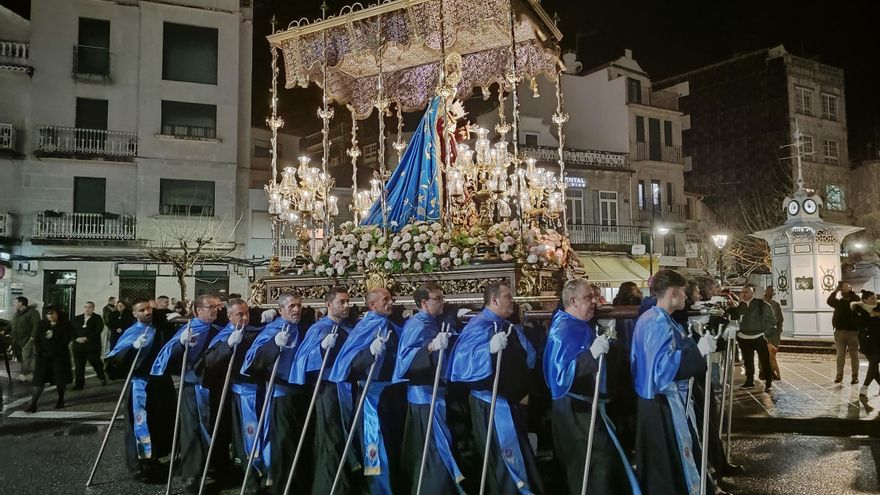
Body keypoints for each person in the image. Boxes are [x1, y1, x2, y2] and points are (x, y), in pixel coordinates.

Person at [544, 278, 640, 494]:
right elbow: (560, 374)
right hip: (574, 410)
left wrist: (609, 338)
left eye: (594, 296)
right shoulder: (562, 329)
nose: (594, 302)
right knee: (592, 461)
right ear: (573, 301)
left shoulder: (580, 322)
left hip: (589, 406)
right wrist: (591, 354)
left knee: (604, 458)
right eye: (588, 298)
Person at [449, 282, 544, 494]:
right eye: (508, 296)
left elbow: (527, 357)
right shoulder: (479, 325)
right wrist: (488, 350)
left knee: (519, 454)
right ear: (494, 300)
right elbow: (461, 364)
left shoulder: (505, 324)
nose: (513, 301)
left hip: (509, 402)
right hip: (490, 404)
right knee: (502, 459)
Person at [328, 287, 403, 494]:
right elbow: (347, 363)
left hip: (391, 393)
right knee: (376, 445)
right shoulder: (365, 326)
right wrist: (369, 352)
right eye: (386, 299)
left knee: (392, 444)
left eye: (391, 298)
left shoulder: (391, 324)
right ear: (373, 305)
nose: (391, 302)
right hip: (371, 395)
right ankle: (379, 489)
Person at [392, 282, 464, 494]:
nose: (442, 303)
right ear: (424, 303)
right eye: (438, 299)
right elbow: (405, 361)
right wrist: (431, 347)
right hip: (424, 397)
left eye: (442, 298)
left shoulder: (431, 321)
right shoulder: (417, 324)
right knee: (433, 450)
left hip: (436, 394)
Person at [151, 294, 223, 494]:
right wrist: (181, 344)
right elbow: (169, 355)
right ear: (198, 310)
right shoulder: (188, 330)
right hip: (192, 386)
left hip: (214, 387)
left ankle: (213, 465)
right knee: (192, 430)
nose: (215, 310)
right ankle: (192, 473)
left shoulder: (219, 329)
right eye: (211, 307)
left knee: (214, 427)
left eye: (217, 307)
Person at [289, 286, 354, 494]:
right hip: (326, 390)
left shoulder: (348, 328)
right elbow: (303, 360)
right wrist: (321, 348)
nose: (346, 306)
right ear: (328, 305)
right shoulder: (319, 329)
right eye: (341, 302)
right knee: (330, 438)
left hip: (345, 388)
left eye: (347, 302)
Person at [241, 291, 307, 495]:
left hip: (299, 391)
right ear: (281, 310)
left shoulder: (301, 327)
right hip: (280, 392)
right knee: (283, 443)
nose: (296, 310)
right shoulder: (273, 329)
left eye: (298, 306)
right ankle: (279, 485)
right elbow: (251, 360)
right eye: (291, 307)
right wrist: (273, 345)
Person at [105, 298, 176, 481]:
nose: (146, 312)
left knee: (158, 423)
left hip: (159, 383)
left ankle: (154, 458)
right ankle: (140, 465)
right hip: (140, 384)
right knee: (140, 424)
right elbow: (114, 360)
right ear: (135, 313)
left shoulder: (158, 326)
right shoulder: (133, 332)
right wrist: (133, 348)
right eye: (141, 310)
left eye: (148, 309)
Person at [201, 298, 265, 493]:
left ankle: (261, 474)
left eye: (246, 313)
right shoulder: (224, 335)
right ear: (229, 316)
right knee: (246, 437)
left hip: (258, 390)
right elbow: (210, 361)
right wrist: (228, 345)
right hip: (237, 393)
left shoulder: (252, 331)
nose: (244, 318)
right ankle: (249, 479)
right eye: (239, 314)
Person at [24, 305, 73, 412]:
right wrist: (41, 351)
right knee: (39, 381)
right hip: (43, 357)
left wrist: (53, 351)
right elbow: (36, 339)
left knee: (60, 380)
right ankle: (33, 403)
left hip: (59, 356)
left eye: (53, 313)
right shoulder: (42, 324)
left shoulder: (65, 324)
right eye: (48, 314)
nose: (50, 316)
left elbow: (66, 340)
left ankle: (61, 399)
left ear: (57, 313)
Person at [732, 284, 776, 391]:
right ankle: (749, 380)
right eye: (742, 292)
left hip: (759, 336)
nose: (744, 294)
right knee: (748, 360)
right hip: (744, 337)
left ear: (752, 293)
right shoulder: (740, 306)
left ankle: (768, 381)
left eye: (746, 292)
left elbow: (772, 320)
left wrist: (767, 335)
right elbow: (735, 319)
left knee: (764, 360)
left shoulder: (762, 305)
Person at [827, 282, 861, 384]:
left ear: (850, 289)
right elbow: (830, 301)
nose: (843, 290)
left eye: (845, 288)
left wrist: (849, 290)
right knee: (840, 354)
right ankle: (839, 375)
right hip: (840, 332)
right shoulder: (840, 302)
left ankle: (855, 376)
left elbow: (857, 300)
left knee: (854, 355)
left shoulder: (855, 301)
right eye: (842, 288)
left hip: (853, 332)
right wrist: (836, 290)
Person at [71, 301, 108, 389]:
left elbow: (98, 330)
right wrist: (76, 338)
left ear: (93, 308)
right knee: (79, 366)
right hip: (78, 347)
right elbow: (71, 330)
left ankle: (101, 377)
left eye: (90, 307)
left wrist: (87, 338)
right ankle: (79, 383)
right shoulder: (76, 318)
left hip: (92, 346)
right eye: (86, 307)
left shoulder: (97, 318)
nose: (87, 309)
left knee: (96, 363)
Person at [852, 290, 880, 396]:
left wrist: (875, 315)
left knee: (874, 364)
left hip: (878, 341)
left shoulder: (878, 308)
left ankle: (865, 388)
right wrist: (871, 316)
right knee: (873, 363)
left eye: (875, 298)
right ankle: (864, 387)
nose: (875, 300)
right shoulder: (858, 310)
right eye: (872, 299)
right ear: (865, 300)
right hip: (867, 342)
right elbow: (858, 323)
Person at [10, 296, 40, 382]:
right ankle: (30, 372)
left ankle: (23, 375)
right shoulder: (17, 314)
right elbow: (12, 324)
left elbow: (36, 325)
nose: (14, 304)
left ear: (20, 303)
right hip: (17, 340)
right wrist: (5, 330)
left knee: (26, 357)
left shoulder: (33, 312)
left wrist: (32, 337)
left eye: (15, 302)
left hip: (27, 339)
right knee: (21, 358)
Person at [763, 287, 783, 380]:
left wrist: (779, 330)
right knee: (765, 354)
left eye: (773, 291)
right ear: (766, 291)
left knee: (773, 354)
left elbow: (780, 318)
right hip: (765, 331)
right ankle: (766, 371)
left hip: (775, 333)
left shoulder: (776, 304)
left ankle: (772, 372)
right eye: (770, 290)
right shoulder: (761, 303)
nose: (772, 292)